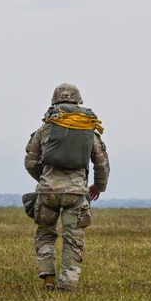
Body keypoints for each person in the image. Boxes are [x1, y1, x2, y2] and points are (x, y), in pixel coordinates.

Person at [24, 83, 110, 290]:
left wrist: (44, 181)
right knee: (73, 240)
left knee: (45, 233)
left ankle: (48, 278)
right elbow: (102, 163)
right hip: (77, 193)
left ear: (54, 100)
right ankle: (67, 285)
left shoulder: (45, 128)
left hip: (47, 193)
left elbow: (30, 162)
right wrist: (98, 187)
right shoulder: (88, 129)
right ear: (78, 101)